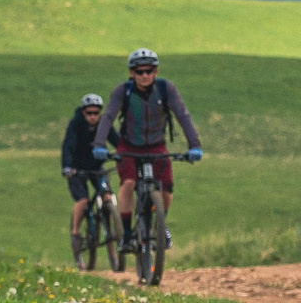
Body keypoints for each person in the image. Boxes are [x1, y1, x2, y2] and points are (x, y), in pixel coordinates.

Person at [98, 47, 203, 248]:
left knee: (167, 189)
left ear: (156, 71)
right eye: (139, 71)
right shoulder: (123, 91)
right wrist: (99, 145)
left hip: (156, 146)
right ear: (131, 73)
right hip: (129, 146)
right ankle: (127, 234)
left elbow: (183, 115)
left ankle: (160, 225)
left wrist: (194, 146)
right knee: (128, 184)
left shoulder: (166, 89)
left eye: (149, 71)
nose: (144, 75)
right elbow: (108, 116)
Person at [60, 93, 111, 246]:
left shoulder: (104, 124)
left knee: (107, 195)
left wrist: (124, 154)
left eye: (96, 113)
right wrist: (67, 167)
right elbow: (68, 146)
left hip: (96, 167)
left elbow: (115, 139)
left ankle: (111, 225)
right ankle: (75, 233)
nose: (93, 117)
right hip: (77, 170)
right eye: (89, 113)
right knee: (83, 200)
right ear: (83, 112)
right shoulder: (76, 124)